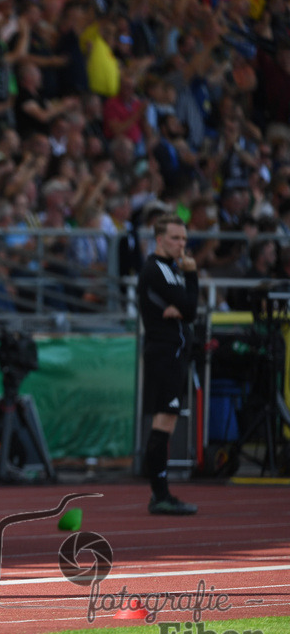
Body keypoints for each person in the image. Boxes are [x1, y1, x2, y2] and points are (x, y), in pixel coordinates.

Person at [136, 217, 199, 515]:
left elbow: (186, 310)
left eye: (184, 239)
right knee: (164, 421)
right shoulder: (156, 270)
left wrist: (184, 308)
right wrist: (193, 276)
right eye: (175, 238)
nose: (181, 245)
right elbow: (190, 308)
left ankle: (161, 492)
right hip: (163, 353)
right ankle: (159, 494)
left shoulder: (172, 270)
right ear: (160, 239)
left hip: (174, 352)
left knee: (168, 420)